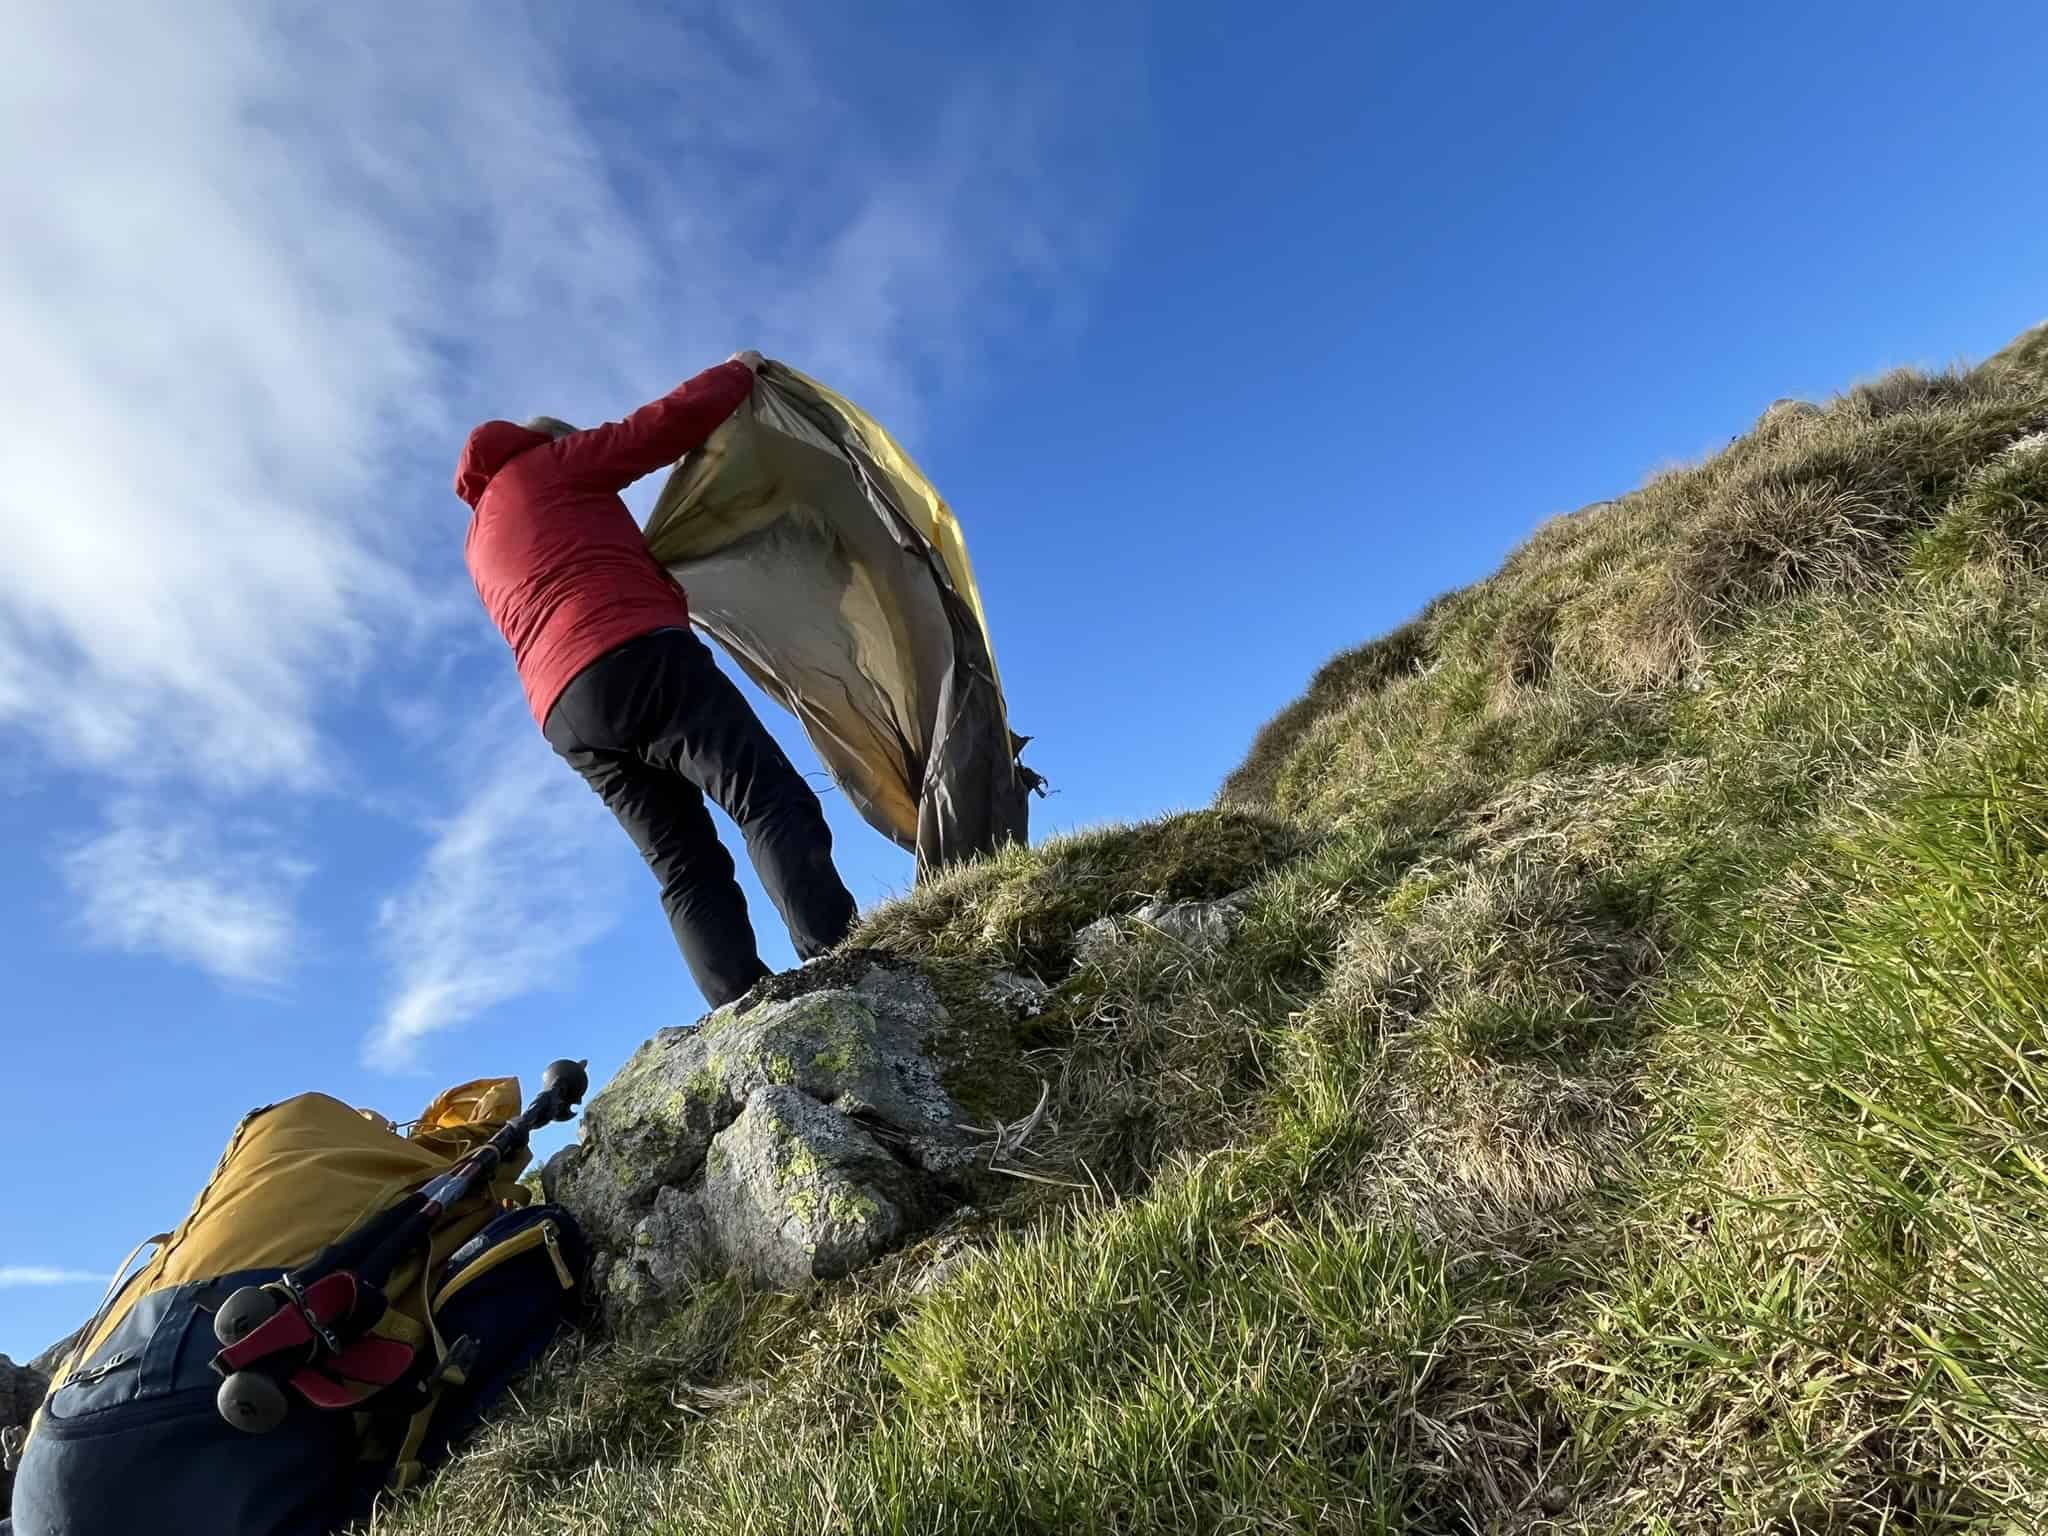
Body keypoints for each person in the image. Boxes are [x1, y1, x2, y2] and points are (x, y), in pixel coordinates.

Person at [453, 353, 858, 1008]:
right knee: (766, 795)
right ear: (563, 441)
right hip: (636, 655)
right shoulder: (554, 463)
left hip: (565, 714)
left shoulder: (481, 538)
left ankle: (737, 1005)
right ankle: (837, 955)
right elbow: (660, 428)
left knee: (682, 864)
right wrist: (738, 374)